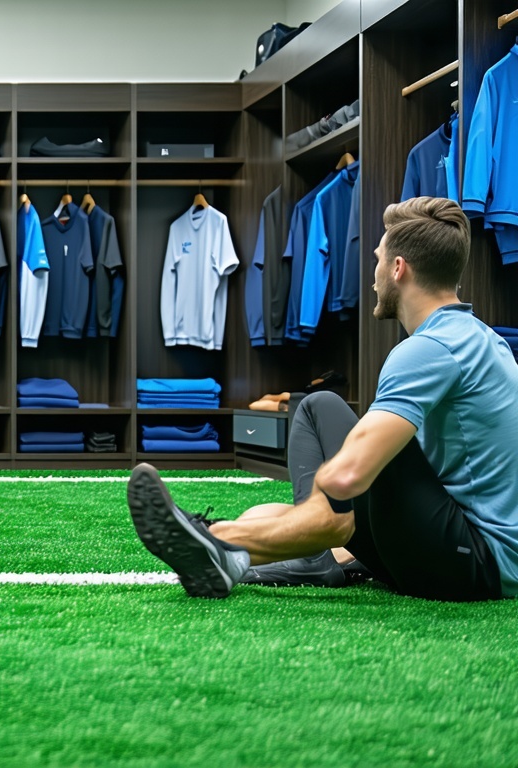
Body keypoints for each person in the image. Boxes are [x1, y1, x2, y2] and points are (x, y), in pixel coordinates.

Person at [127, 197, 518, 602]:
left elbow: (350, 476)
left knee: (337, 457)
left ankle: (220, 540)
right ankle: (315, 550)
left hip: (473, 565)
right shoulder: (481, 337)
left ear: (398, 268)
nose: (374, 274)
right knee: (317, 410)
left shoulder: (429, 349)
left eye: (378, 259)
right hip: (468, 547)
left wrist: (326, 509)